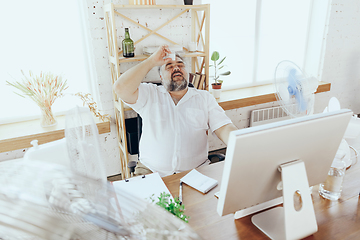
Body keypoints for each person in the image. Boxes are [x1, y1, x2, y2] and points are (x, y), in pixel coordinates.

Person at [113, 45, 237, 177]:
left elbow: (223, 127)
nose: (176, 68)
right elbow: (120, 88)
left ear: (187, 73)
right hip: (151, 171)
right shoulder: (150, 94)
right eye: (169, 66)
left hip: (196, 171)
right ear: (161, 77)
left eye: (180, 65)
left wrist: (240, 142)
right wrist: (151, 61)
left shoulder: (204, 98)